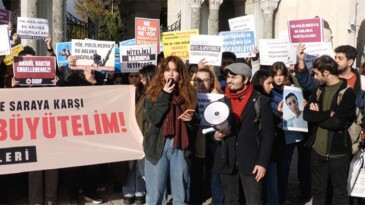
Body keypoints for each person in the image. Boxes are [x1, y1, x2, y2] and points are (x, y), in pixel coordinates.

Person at [213, 63, 274, 204]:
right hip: (227, 160)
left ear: (245, 79)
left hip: (252, 162)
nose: (229, 81)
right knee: (231, 200)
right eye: (228, 77)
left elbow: (268, 136)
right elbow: (214, 129)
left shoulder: (261, 101)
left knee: (253, 201)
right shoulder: (223, 101)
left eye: (234, 77)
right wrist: (216, 136)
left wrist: (262, 163)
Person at [143, 56, 200, 204]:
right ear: (162, 72)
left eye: (174, 71)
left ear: (180, 74)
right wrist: (165, 94)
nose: (170, 74)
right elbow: (154, 119)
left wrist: (191, 119)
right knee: (155, 193)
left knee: (180, 193)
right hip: (157, 146)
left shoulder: (189, 93)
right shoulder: (153, 92)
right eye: (167, 70)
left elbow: (196, 122)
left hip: (180, 144)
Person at [303, 55, 356, 205]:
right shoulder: (319, 91)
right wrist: (327, 114)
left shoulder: (347, 93)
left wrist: (317, 117)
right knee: (318, 192)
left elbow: (338, 123)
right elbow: (307, 115)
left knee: (339, 192)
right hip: (317, 150)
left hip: (339, 153)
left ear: (326, 72)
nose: (315, 77)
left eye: (316, 74)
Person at [190, 66, 222, 204]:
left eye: (205, 80)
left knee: (214, 178)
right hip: (195, 146)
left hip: (214, 146)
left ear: (212, 81)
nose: (201, 84)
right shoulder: (190, 97)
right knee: (195, 178)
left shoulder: (219, 97)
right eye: (198, 80)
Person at [122, 67, 155, 205]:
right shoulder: (121, 93)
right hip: (126, 135)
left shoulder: (147, 94)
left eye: (138, 76)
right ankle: (128, 192)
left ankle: (141, 193)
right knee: (129, 167)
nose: (136, 79)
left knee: (143, 167)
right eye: (132, 76)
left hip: (142, 135)